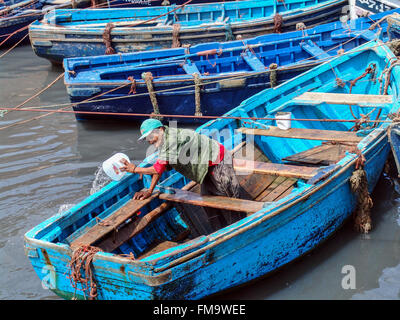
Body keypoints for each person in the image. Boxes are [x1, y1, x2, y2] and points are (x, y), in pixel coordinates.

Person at [120, 118, 249, 230]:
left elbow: (156, 169)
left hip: (218, 160)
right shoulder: (163, 141)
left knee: (229, 198)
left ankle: (242, 227)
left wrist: (135, 169)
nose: (149, 141)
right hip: (204, 168)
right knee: (208, 202)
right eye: (147, 139)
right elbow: (160, 168)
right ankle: (221, 232)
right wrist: (149, 190)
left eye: (150, 136)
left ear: (160, 129)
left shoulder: (171, 140)